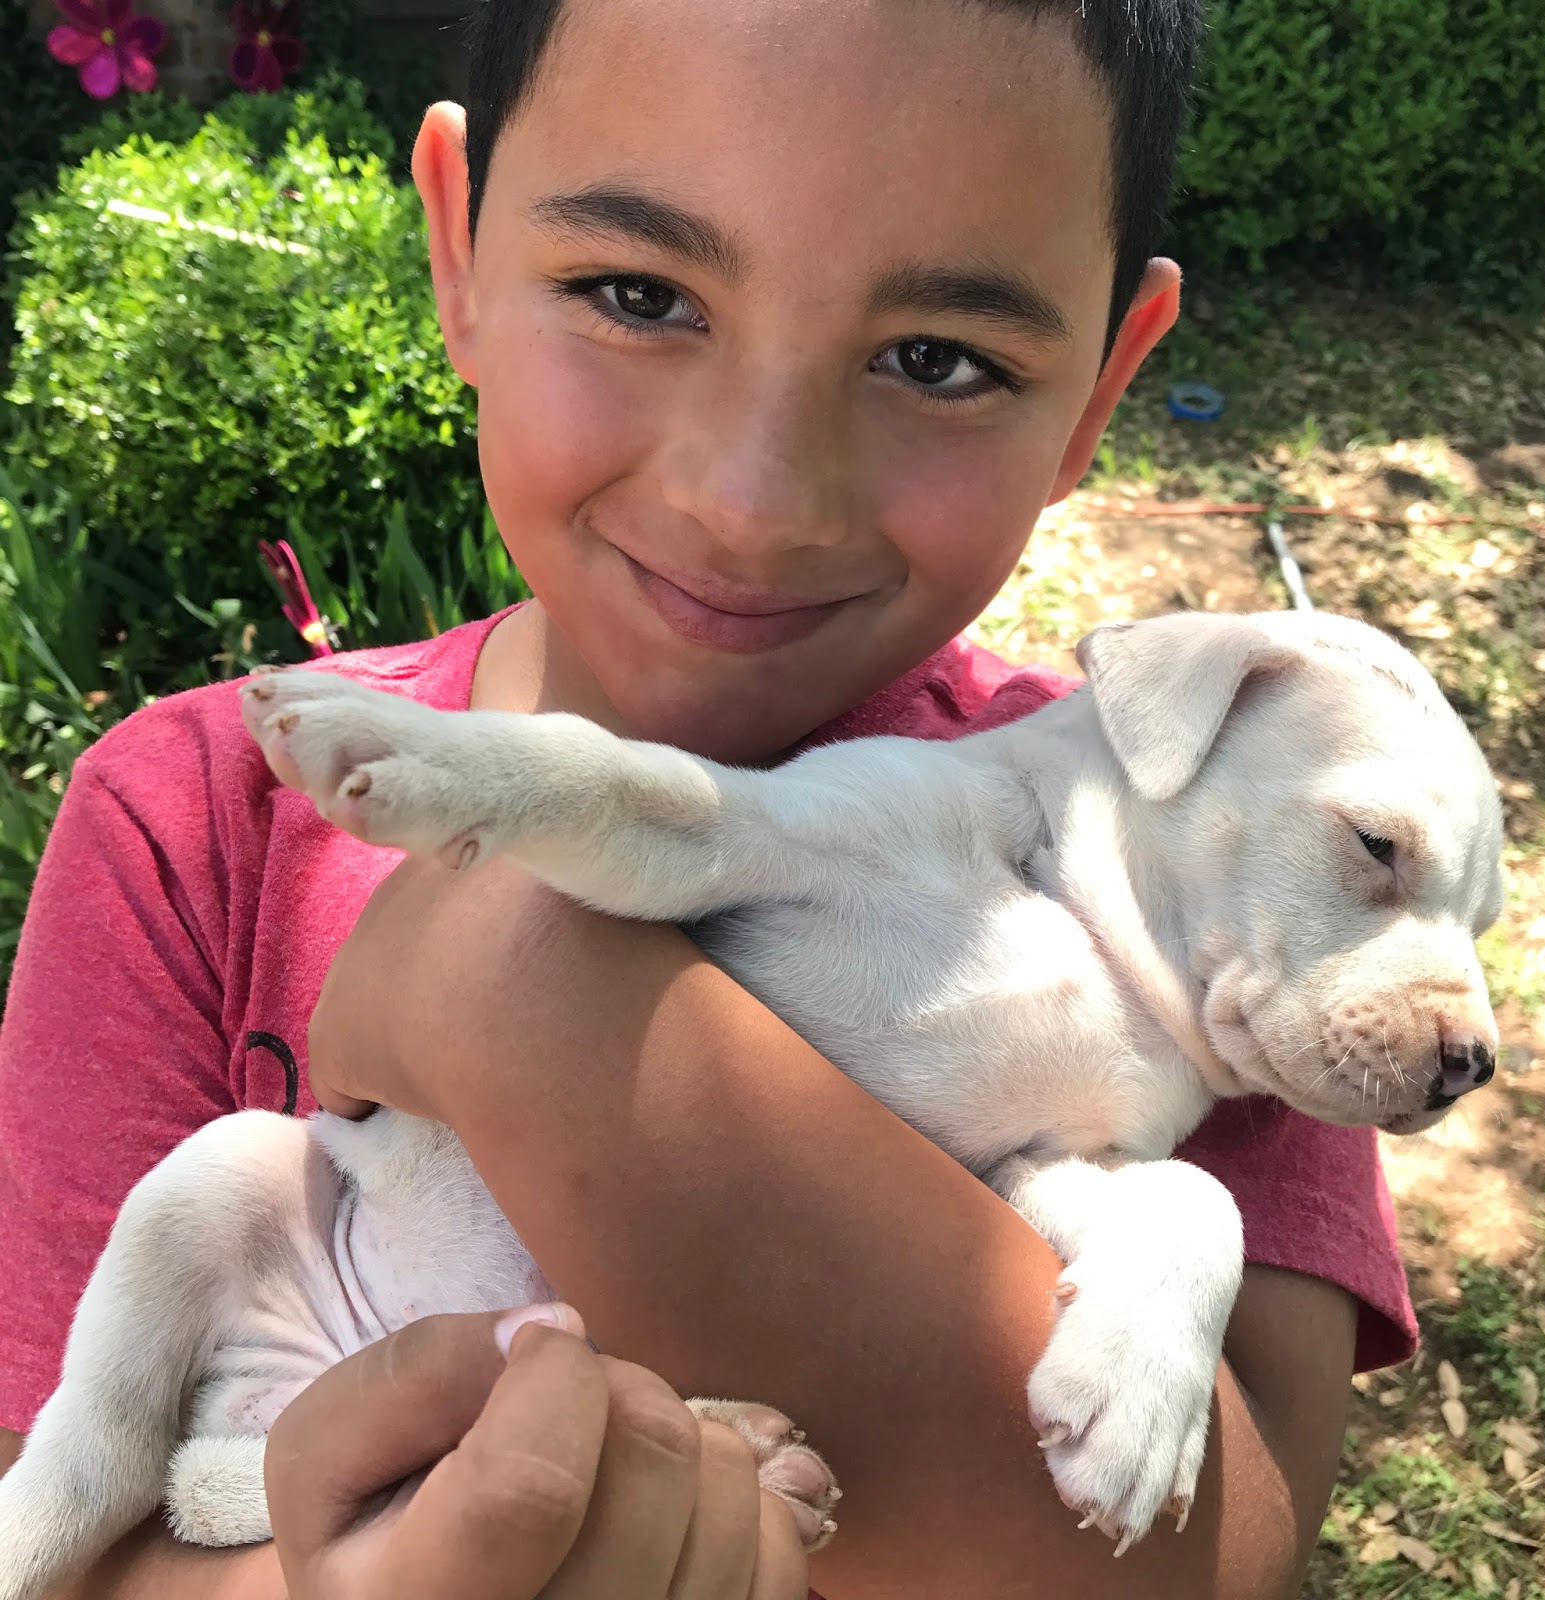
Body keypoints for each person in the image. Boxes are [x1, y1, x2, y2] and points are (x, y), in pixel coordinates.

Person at [0, 0, 1418, 1595]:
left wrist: (508, 989)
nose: (753, 500)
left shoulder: (1201, 864)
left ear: (1101, 385)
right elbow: (80, 1537)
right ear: (458, 248)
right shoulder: (187, 827)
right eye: (638, 294)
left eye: (938, 360)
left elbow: (1215, 1556)